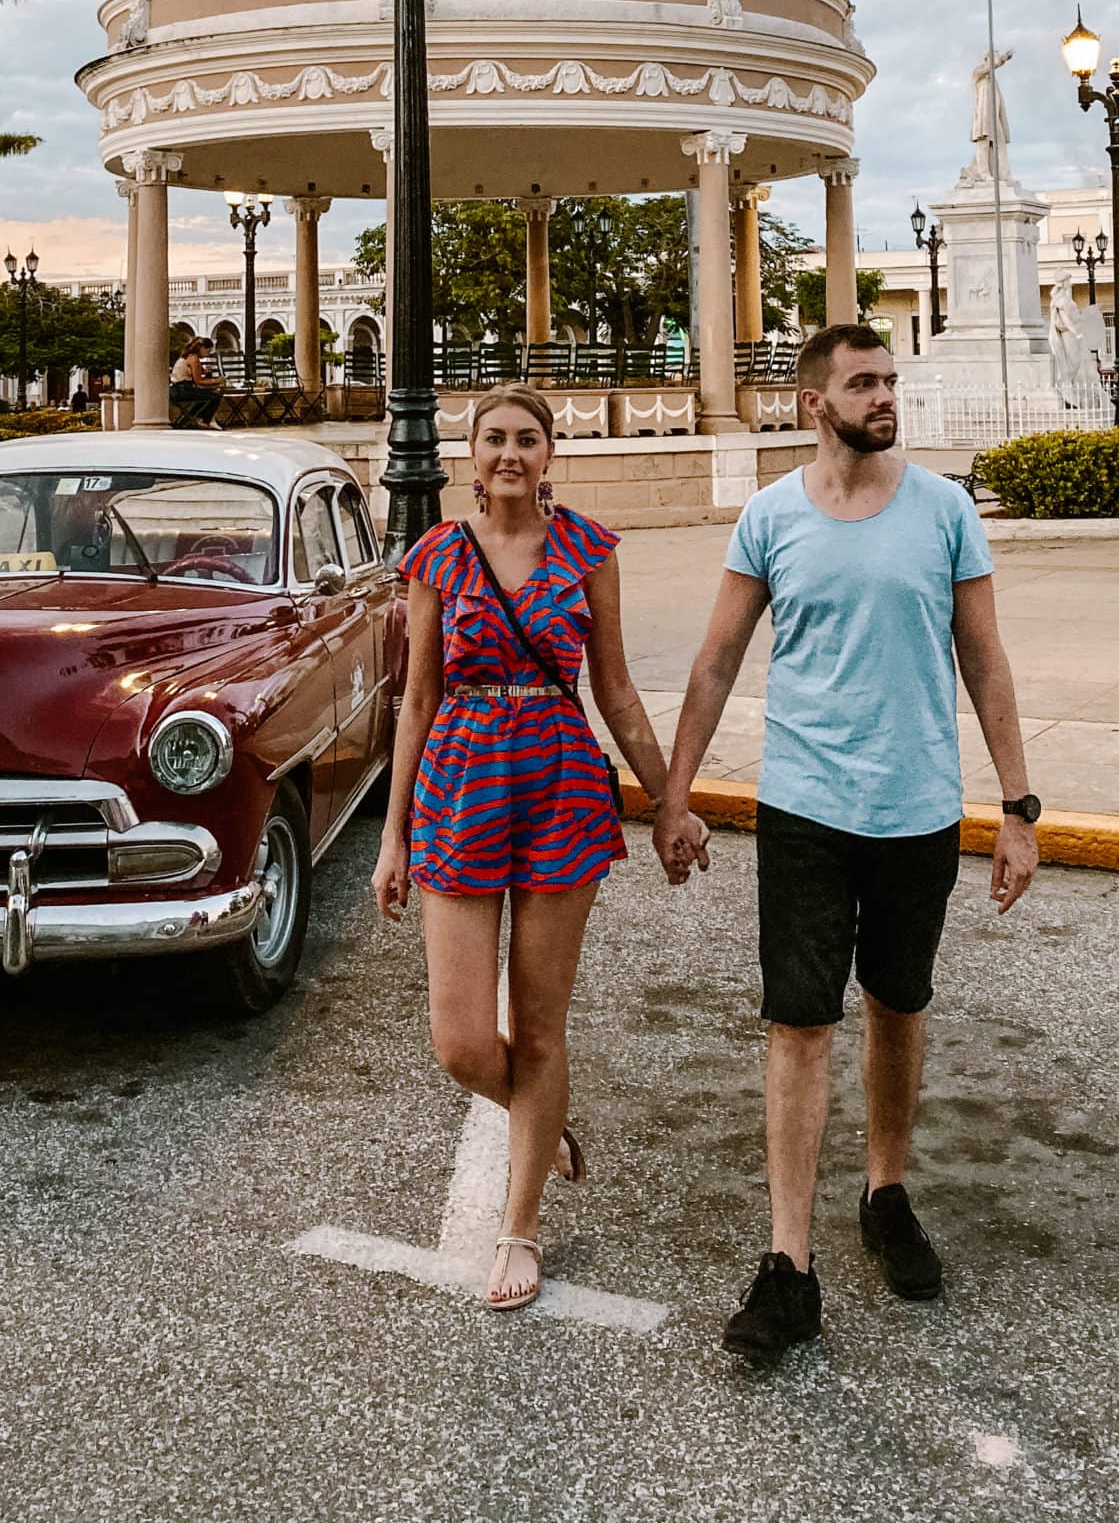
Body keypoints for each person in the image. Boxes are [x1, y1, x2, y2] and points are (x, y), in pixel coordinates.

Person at [653, 323, 1039, 1364]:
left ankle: (885, 1190)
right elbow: (713, 661)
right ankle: (788, 1265)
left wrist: (1017, 805)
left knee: (897, 1003)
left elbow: (985, 661)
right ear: (813, 402)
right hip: (803, 809)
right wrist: (672, 793)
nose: (883, 396)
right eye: (862, 382)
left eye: (888, 381)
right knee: (796, 1019)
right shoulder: (771, 515)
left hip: (917, 807)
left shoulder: (943, 509)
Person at [372, 388, 683, 1313]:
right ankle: (539, 1119)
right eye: (495, 439)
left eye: (528, 439)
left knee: (541, 1027)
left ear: (551, 454)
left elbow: (618, 691)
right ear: (471, 455)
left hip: (560, 785)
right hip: (460, 786)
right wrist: (391, 835)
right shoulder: (436, 554)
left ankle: (520, 1226)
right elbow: (416, 701)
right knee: (462, 1042)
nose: (511, 453)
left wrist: (669, 802)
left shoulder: (588, 551)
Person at [169, 337, 223, 427]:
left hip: (176, 389)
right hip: (182, 390)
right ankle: (203, 420)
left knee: (205, 396)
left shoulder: (187, 356)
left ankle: (190, 419)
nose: (207, 354)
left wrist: (205, 372)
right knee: (215, 397)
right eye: (208, 351)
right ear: (201, 348)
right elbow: (199, 381)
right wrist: (218, 380)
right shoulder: (194, 358)